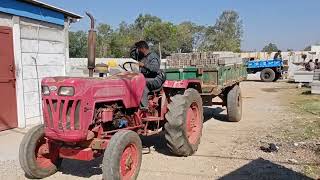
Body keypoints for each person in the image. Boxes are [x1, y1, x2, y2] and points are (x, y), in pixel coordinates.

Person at [130, 41, 166, 111]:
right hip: (147, 78)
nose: (137, 51)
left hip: (156, 79)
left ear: (142, 49)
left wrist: (144, 65)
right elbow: (133, 55)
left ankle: (144, 107)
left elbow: (154, 69)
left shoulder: (153, 56)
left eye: (138, 49)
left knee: (141, 83)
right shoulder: (142, 57)